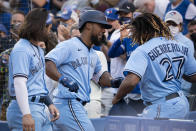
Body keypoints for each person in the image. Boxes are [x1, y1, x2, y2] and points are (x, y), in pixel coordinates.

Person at [45, 10, 123, 131]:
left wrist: (113, 81)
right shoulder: (69, 45)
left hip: (76, 105)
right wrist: (62, 78)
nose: (104, 30)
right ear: (88, 25)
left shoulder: (93, 54)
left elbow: (101, 77)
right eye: (101, 26)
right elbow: (48, 63)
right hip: (68, 102)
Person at [112, 13, 196, 119]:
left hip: (161, 106)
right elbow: (193, 76)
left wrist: (117, 97)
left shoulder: (142, 50)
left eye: (136, 31)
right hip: (181, 103)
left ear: (145, 31)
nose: (134, 35)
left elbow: (131, 81)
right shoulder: (181, 45)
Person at [6, 8, 59, 131]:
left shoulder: (38, 48)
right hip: (25, 108)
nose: (49, 30)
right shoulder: (22, 49)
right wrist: (26, 114)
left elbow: (37, 83)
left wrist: (49, 103)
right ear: (39, 27)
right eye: (47, 27)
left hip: (39, 107)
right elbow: (19, 83)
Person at [164, 10, 195, 97]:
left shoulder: (187, 43)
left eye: (174, 24)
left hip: (181, 90)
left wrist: (184, 91)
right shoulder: (161, 40)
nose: (170, 27)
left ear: (180, 26)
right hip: (165, 90)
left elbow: (188, 69)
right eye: (168, 24)